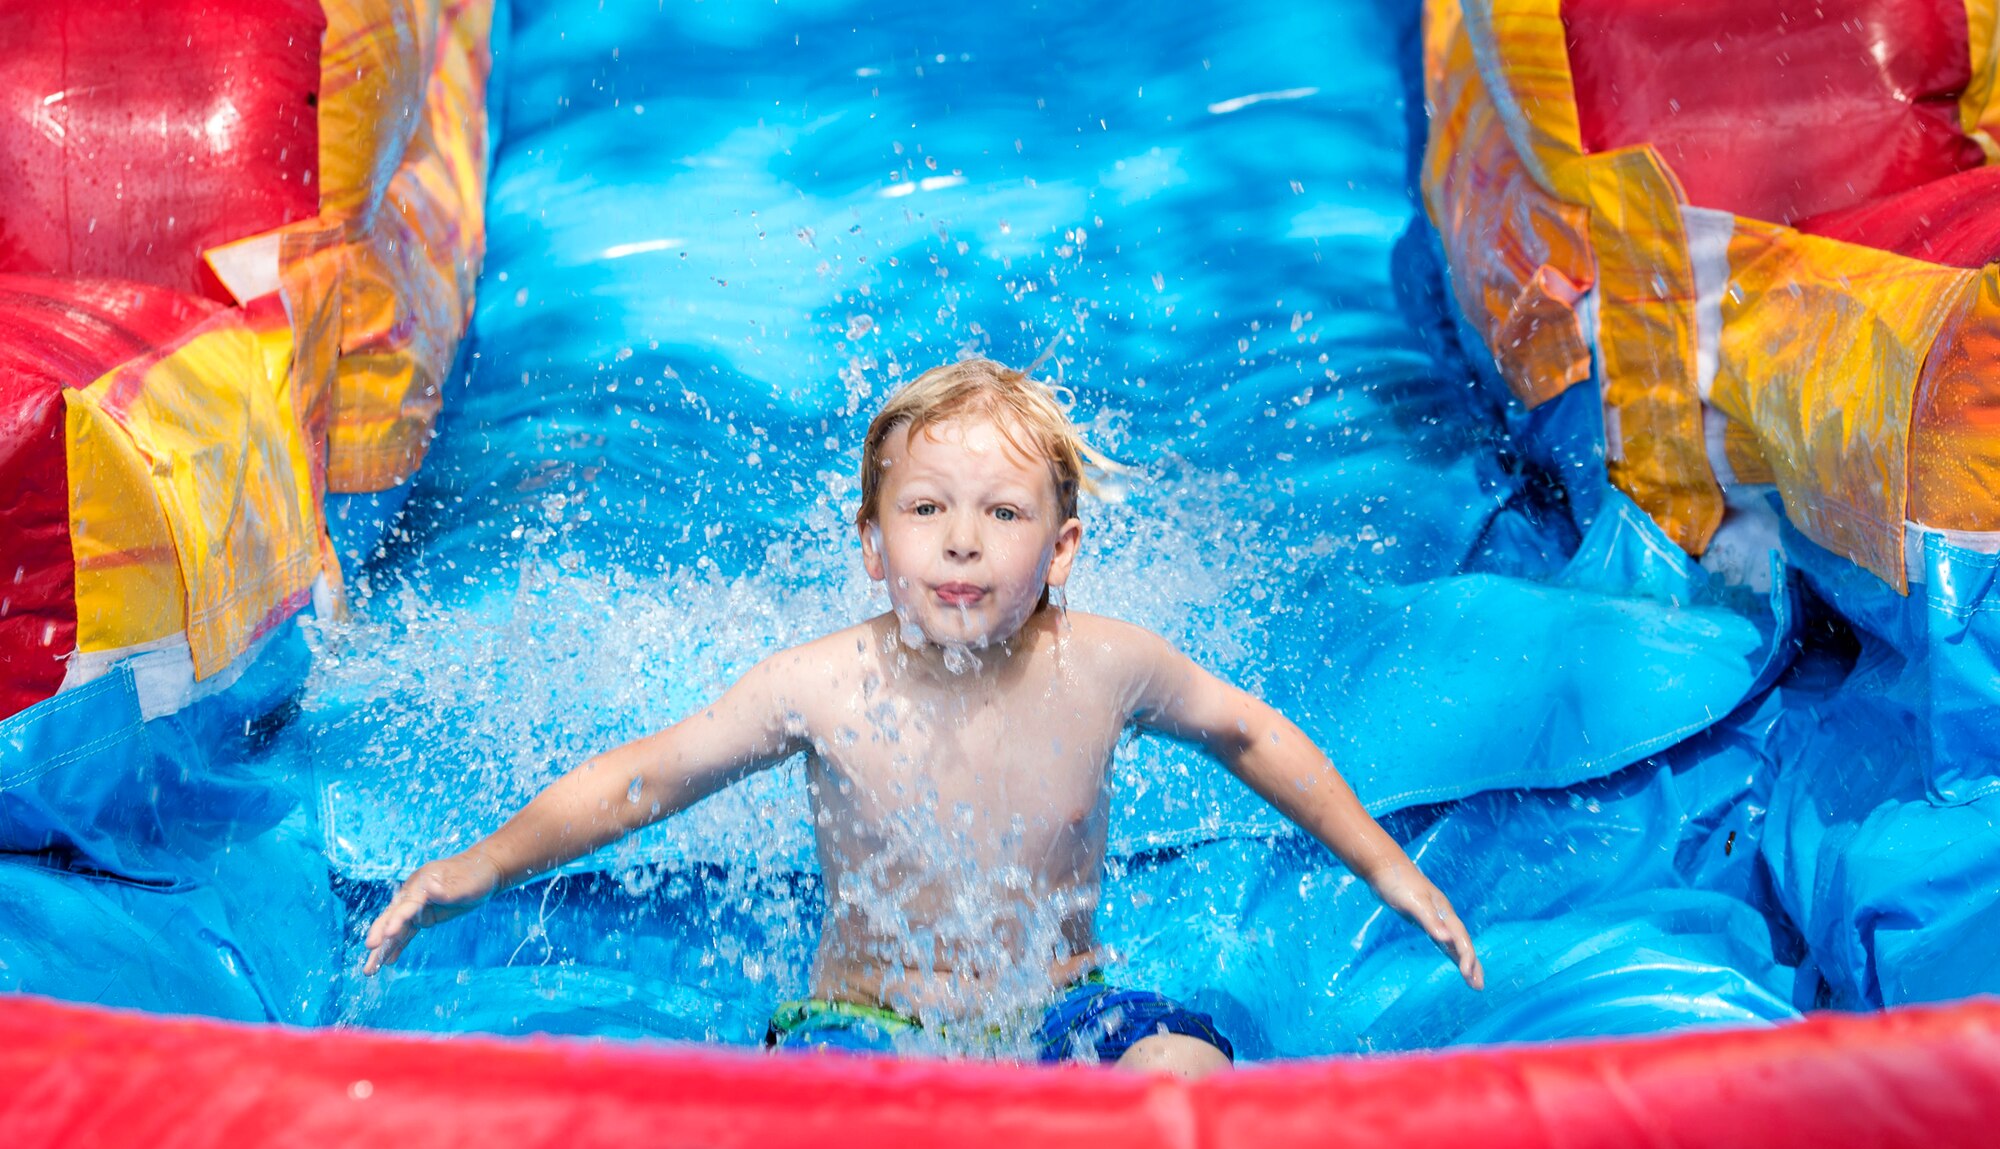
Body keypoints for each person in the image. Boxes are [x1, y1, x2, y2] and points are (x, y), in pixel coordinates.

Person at [363, 358, 1483, 1076]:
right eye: (924, 508)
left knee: (1182, 1080)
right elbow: (643, 778)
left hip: (1063, 1003)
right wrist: (480, 865)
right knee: (845, 1124)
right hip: (871, 1025)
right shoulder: (820, 685)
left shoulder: (1100, 666)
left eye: (1002, 512)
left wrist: (1385, 866)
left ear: (1060, 549)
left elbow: (1249, 734)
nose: (960, 539)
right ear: (872, 543)